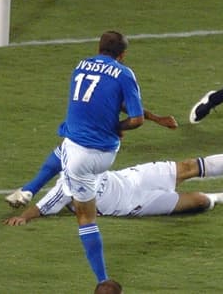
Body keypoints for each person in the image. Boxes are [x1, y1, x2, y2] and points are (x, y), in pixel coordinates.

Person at [3, 124, 223, 225]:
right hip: (134, 204)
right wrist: (23, 217)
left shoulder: (86, 152)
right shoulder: (66, 185)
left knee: (188, 166)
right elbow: (42, 207)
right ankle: (216, 197)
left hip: (134, 177)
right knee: (200, 202)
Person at [53, 30, 149, 284]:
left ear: (98, 48)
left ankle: (102, 280)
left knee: (85, 217)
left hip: (80, 154)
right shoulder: (125, 74)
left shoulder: (80, 65)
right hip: (105, 153)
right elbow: (136, 118)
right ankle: (33, 191)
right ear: (122, 55)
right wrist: (117, 127)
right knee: (67, 162)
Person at [5, 112, 178, 208]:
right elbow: (134, 112)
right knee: (71, 154)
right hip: (98, 142)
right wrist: (156, 119)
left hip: (81, 124)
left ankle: (30, 190)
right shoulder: (119, 76)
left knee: (67, 149)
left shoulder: (86, 70)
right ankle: (31, 190)